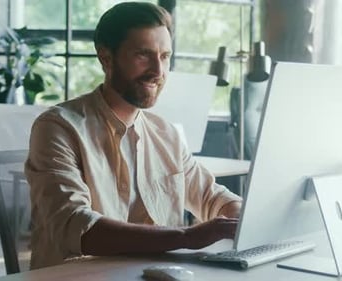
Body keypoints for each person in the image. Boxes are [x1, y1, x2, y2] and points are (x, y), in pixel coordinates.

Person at [25, 2, 242, 269]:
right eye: (143, 55)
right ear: (106, 57)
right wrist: (186, 237)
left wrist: (244, 216)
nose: (158, 71)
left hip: (154, 275)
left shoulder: (168, 135)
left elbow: (212, 198)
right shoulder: (58, 128)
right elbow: (77, 227)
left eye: (164, 56)